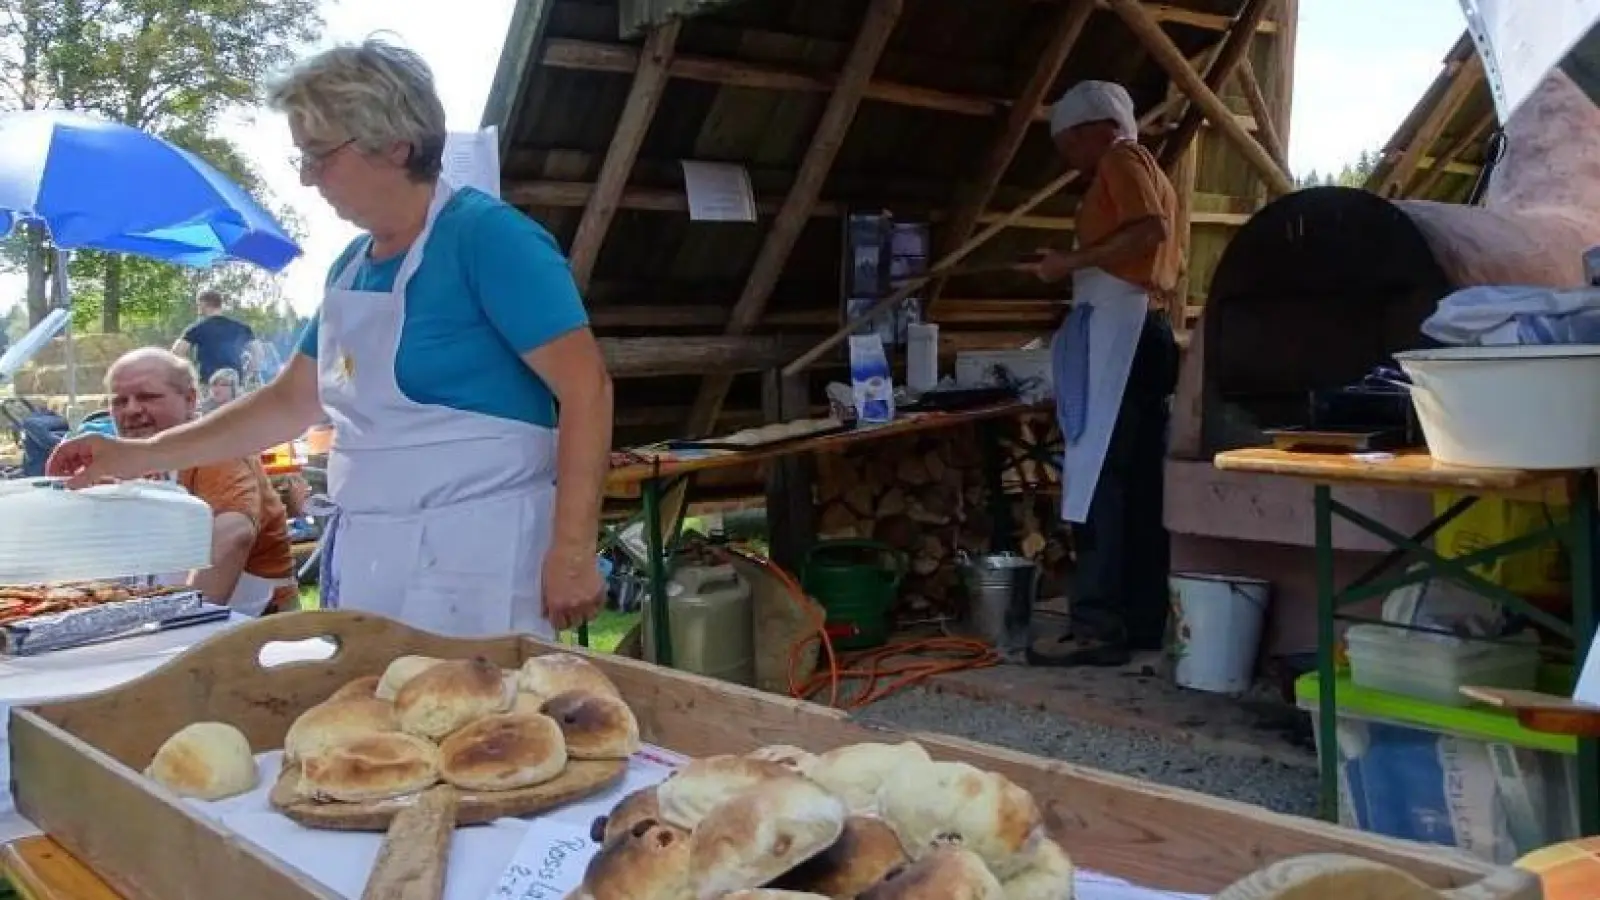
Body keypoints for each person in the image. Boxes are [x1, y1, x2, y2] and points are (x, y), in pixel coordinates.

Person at [49, 38, 614, 639]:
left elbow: (588, 391)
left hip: (479, 555)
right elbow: (288, 402)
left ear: (395, 144)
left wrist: (574, 549)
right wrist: (137, 455)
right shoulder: (351, 264)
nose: (306, 177)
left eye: (319, 155)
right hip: (373, 552)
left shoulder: (489, 239)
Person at [1017, 81, 1182, 668]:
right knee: (1136, 486)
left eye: (1069, 147)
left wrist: (1069, 262)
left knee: (1101, 482)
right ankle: (1139, 621)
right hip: (1145, 334)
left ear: (1093, 130)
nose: (1071, 162)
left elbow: (1148, 232)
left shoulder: (1122, 157)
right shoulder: (1144, 165)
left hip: (1125, 335)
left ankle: (1096, 626)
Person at [104, 349, 297, 615]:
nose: (132, 410)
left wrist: (180, 620)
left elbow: (234, 535)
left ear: (190, 400)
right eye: (119, 401)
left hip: (254, 630)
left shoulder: (217, 450)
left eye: (148, 397)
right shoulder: (136, 464)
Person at [173, 290, 256, 382]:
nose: (198, 308)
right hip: (234, 383)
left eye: (198, 305)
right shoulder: (242, 327)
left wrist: (190, 375)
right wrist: (247, 374)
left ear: (204, 304)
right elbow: (258, 353)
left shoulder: (197, 328)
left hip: (208, 383)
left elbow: (176, 352)